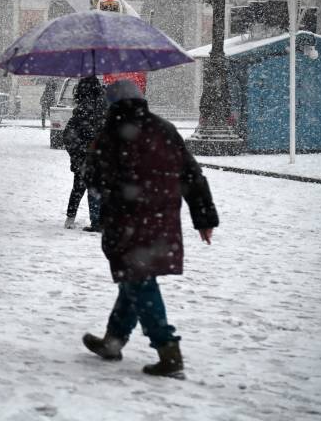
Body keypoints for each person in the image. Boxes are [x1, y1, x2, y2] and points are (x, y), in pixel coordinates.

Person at [81, 80, 219, 380]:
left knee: (140, 284)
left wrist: (91, 158)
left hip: (126, 223)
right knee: (134, 281)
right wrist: (204, 218)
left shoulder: (111, 134)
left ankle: (168, 351)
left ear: (111, 105)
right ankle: (113, 341)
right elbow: (191, 174)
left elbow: (93, 180)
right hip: (161, 221)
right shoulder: (165, 129)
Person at [62, 76, 107, 231]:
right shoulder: (105, 106)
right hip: (101, 155)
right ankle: (97, 221)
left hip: (84, 156)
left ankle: (70, 218)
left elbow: (68, 135)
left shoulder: (82, 109)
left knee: (78, 187)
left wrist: (77, 153)